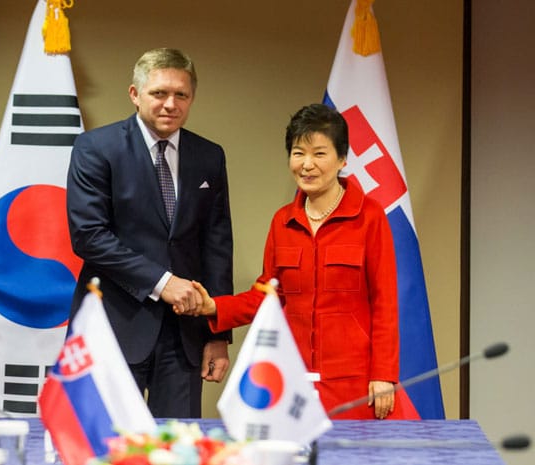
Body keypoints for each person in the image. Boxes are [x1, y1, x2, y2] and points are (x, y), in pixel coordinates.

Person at [179, 103, 419, 420]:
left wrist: (384, 374)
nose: (306, 165)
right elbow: (269, 297)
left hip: (356, 383)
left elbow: (385, 301)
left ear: (342, 159)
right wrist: (215, 307)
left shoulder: (370, 217)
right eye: (298, 153)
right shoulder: (283, 221)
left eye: (319, 154)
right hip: (293, 381)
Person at [66, 48, 233, 418]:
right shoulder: (96, 148)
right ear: (134, 94)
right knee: (102, 449)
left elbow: (217, 247)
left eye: (181, 95)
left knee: (178, 448)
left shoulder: (209, 156)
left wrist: (218, 333)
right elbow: (89, 236)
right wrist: (162, 282)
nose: (170, 104)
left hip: (184, 337)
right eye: (159, 93)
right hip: (112, 327)